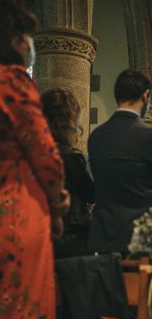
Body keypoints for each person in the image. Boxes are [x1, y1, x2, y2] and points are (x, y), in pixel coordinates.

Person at [0, 0, 69, 319]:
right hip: (13, 209)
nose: (30, 45)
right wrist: (58, 203)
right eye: (27, 35)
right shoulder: (11, 82)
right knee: (16, 316)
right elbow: (45, 154)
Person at [88, 69, 152, 254]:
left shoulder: (96, 136)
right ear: (146, 95)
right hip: (140, 241)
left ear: (116, 96)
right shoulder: (151, 137)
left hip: (103, 239)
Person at [41, 88, 95, 259]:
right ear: (69, 122)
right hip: (71, 235)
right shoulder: (71, 158)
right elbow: (90, 194)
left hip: (41, 232)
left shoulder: (35, 155)